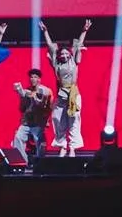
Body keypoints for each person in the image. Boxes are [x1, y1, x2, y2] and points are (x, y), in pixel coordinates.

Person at [39, 19, 91, 157]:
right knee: (57, 119)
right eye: (61, 54)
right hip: (61, 95)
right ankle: (62, 145)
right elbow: (50, 46)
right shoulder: (56, 64)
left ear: (69, 54)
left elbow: (79, 44)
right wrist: (45, 32)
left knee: (74, 120)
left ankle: (72, 147)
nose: (64, 55)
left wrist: (84, 31)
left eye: (66, 53)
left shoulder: (74, 60)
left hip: (73, 94)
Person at [12, 69, 52, 160]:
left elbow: (48, 107)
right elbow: (22, 108)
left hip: (38, 122)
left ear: (39, 79)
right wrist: (21, 95)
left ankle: (40, 162)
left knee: (40, 142)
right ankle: (22, 161)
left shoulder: (46, 91)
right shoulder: (26, 91)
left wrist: (47, 120)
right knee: (18, 138)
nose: (33, 79)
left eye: (35, 77)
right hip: (27, 122)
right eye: (31, 77)